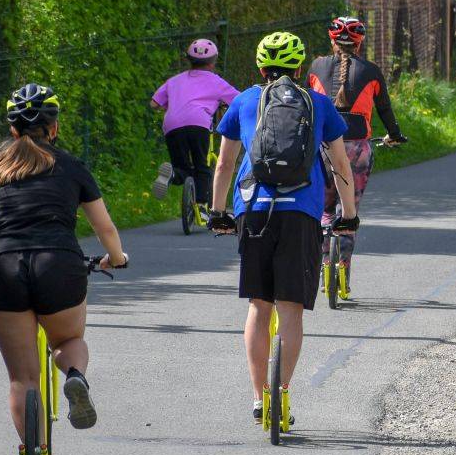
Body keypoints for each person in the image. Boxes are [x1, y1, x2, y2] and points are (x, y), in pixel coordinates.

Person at [0, 83, 128, 447]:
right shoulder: (71, 166)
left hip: (3, 264)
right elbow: (105, 228)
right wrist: (116, 258)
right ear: (55, 126)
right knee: (68, 340)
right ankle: (75, 375)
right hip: (57, 262)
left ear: (12, 128)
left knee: (22, 378)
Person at [209, 32, 358, 430]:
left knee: (259, 305)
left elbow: (224, 164)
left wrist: (219, 211)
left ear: (260, 67)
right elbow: (341, 165)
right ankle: (282, 393)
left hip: (254, 209)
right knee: (290, 309)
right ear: (300, 67)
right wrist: (348, 215)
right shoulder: (319, 104)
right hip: (301, 212)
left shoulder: (244, 101)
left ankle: (260, 398)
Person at [307, 17, 404, 297]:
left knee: (324, 211)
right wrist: (394, 135)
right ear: (359, 44)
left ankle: (324, 269)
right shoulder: (371, 71)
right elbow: (385, 109)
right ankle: (343, 275)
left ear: (332, 41)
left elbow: (305, 102)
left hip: (323, 147)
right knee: (348, 213)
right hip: (357, 149)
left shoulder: (316, 67)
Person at [150, 38, 238, 214]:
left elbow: (154, 103)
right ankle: (203, 208)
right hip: (198, 123)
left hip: (173, 125)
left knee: (182, 168)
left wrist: (172, 105)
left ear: (189, 60)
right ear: (213, 62)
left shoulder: (174, 80)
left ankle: (172, 174)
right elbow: (239, 100)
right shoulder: (216, 82)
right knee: (201, 166)